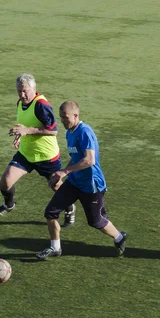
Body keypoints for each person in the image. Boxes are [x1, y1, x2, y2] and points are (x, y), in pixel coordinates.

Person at [35, 100, 127, 260]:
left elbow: (89, 160)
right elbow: (75, 157)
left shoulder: (85, 132)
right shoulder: (70, 132)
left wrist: (65, 172)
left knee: (96, 221)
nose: (63, 121)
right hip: (75, 182)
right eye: (61, 118)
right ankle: (55, 247)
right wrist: (61, 173)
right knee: (51, 212)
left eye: (65, 117)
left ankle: (119, 237)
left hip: (91, 185)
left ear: (76, 115)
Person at [0, 73, 75, 227]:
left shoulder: (41, 105)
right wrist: (19, 135)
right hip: (26, 153)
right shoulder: (20, 103)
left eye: (25, 91)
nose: (22, 95)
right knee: (5, 182)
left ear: (34, 88)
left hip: (46, 156)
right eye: (19, 91)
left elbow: (53, 130)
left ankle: (69, 207)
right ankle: (9, 205)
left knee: (57, 187)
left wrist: (28, 131)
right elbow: (24, 124)